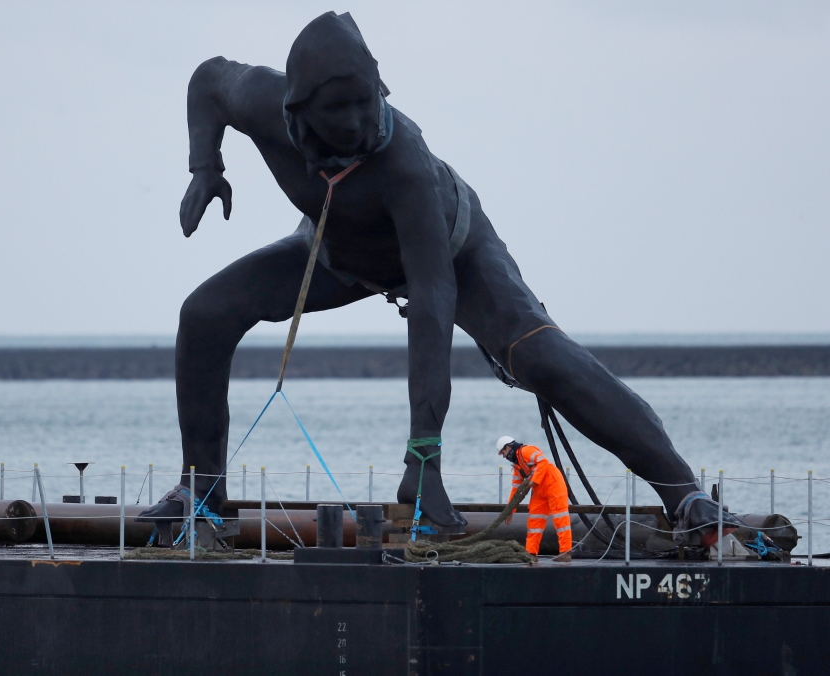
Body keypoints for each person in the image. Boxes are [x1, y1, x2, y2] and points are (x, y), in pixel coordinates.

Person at [141, 11, 733, 543]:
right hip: (336, 251)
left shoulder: (406, 166)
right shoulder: (261, 99)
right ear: (297, 108)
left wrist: (424, 455)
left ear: (380, 91)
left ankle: (684, 493)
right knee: (204, 314)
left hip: (455, 254)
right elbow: (207, 80)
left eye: (363, 103)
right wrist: (205, 166)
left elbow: (431, 301)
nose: (352, 122)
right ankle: (202, 492)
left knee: (541, 358)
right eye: (334, 108)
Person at [498, 436, 572, 562]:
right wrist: (511, 510)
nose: (503, 456)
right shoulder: (517, 467)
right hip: (539, 491)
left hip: (553, 484)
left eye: (503, 452)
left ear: (508, 447)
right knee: (534, 521)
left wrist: (533, 480)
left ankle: (565, 553)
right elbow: (516, 490)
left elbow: (543, 461)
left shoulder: (526, 451)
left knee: (561, 520)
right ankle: (531, 553)